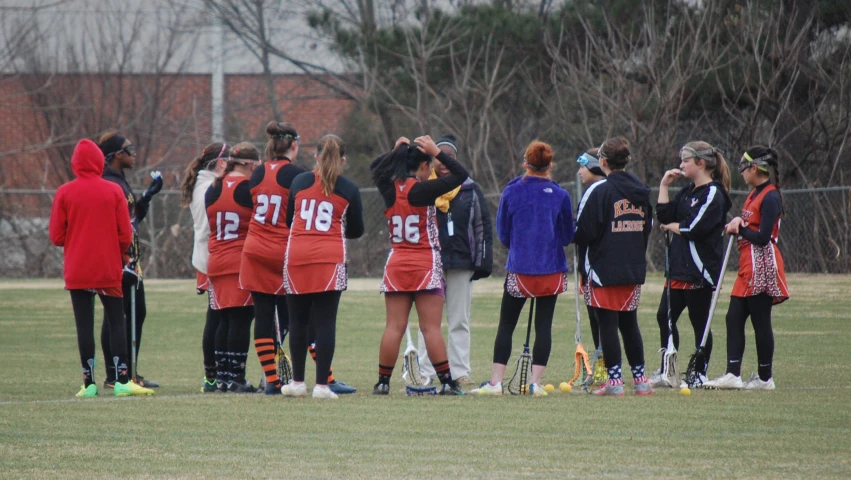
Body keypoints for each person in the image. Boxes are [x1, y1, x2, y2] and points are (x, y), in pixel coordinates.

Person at [240, 122, 356, 395]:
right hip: (285, 248)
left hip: (255, 247)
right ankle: (324, 378)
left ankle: (272, 379)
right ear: (295, 146)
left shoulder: (256, 173)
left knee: (265, 316)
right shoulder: (299, 175)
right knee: (309, 318)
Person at [49, 138, 154, 397]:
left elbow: (56, 236)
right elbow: (124, 234)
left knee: (83, 325)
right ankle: (121, 379)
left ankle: (89, 383)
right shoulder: (112, 190)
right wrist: (116, 252)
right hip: (108, 267)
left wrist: (77, 238)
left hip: (78, 268)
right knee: (117, 321)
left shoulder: (64, 192)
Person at [471, 140, 573, 397]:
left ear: (525, 163)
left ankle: (496, 383)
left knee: (506, 324)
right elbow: (567, 235)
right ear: (550, 165)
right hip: (551, 270)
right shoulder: (561, 195)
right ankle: (535, 383)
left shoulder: (512, 191)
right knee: (544, 325)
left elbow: (503, 233)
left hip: (520, 271)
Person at [369, 135, 469, 396]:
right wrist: (439, 152)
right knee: (430, 327)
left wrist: (395, 150)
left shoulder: (390, 189)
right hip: (424, 261)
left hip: (397, 263)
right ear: (423, 167)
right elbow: (461, 174)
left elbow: (375, 169)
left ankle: (382, 383)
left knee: (394, 326)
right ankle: (447, 382)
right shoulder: (423, 189)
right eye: (430, 165)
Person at [281, 134, 364, 399]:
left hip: (296, 256)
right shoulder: (348, 188)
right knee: (325, 322)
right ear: (343, 160)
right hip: (329, 258)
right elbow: (357, 230)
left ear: (316, 156)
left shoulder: (299, 181)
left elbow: (288, 220)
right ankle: (322, 386)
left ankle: (296, 383)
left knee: (298, 321)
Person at [573, 136, 654, 397]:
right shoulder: (640, 190)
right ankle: (641, 380)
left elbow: (583, 232)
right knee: (629, 323)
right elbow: (647, 228)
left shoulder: (599, 191)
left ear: (603, 162)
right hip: (632, 268)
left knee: (607, 323)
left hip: (603, 268)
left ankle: (615, 382)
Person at [704, 145, 789, 390]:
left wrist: (739, 228)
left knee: (760, 320)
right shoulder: (754, 193)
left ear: (755, 168)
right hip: (747, 264)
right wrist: (738, 222)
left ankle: (765, 378)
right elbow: (749, 223)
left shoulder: (770, 195)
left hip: (761, 263)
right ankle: (733, 373)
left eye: (744, 168)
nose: (742, 173)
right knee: (733, 318)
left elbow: (763, 236)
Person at [652, 141, 732, 388]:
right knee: (663, 317)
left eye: (686, 160)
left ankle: (699, 373)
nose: (681, 164)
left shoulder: (714, 194)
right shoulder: (688, 192)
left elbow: (693, 229)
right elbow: (665, 215)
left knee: (700, 324)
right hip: (678, 269)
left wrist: (672, 227)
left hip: (699, 272)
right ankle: (669, 370)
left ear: (702, 163)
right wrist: (664, 186)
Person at [415, 134, 493, 387]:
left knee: (459, 320)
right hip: (431, 261)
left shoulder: (470, 189)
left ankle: (459, 370)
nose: (444, 162)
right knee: (428, 321)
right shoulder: (424, 188)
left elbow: (482, 226)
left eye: (449, 156)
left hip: (461, 261)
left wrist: (482, 261)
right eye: (439, 156)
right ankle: (426, 371)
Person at [99, 132, 163, 389]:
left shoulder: (120, 181)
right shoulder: (109, 182)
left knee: (134, 312)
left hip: (130, 258)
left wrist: (146, 197)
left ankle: (127, 370)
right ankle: (117, 374)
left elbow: (132, 219)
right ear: (116, 155)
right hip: (119, 258)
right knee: (117, 315)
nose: (134, 153)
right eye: (129, 149)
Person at [205, 142, 260, 393]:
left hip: (216, 258)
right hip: (239, 259)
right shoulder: (249, 188)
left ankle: (223, 377)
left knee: (223, 320)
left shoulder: (213, 187)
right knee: (240, 319)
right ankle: (236, 377)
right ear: (248, 164)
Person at [181, 142, 228, 392]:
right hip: (212, 257)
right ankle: (212, 375)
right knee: (217, 317)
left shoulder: (204, 183)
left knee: (218, 316)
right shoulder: (208, 187)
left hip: (209, 256)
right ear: (221, 163)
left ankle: (215, 374)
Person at [575, 148, 606, 350]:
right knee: (596, 319)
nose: (579, 171)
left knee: (602, 320)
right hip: (590, 269)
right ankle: (603, 368)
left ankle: (607, 370)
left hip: (597, 268)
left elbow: (583, 231)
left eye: (583, 166)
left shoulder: (596, 192)